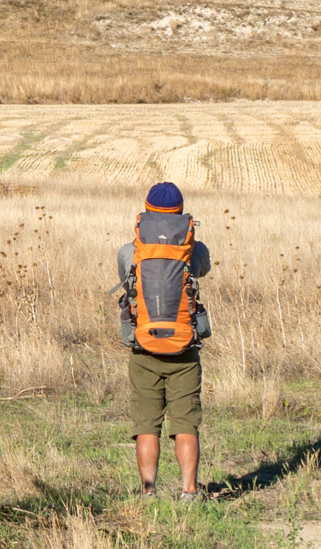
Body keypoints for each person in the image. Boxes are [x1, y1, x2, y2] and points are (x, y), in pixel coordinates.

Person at [117, 182, 211, 501]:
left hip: (143, 348)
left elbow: (126, 280)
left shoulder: (129, 251)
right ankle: (189, 492)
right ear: (180, 215)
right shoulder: (193, 250)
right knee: (186, 423)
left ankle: (148, 492)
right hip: (184, 349)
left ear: (145, 212)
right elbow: (203, 270)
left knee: (147, 425)